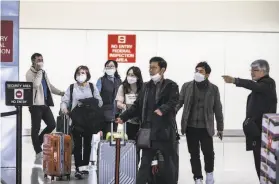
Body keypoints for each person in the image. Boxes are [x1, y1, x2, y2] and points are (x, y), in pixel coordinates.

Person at [116, 57, 179, 184]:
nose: (150, 70)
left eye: (154, 67)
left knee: (169, 165)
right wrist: (123, 117)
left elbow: (174, 101)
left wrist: (163, 109)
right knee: (144, 164)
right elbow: (137, 106)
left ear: (162, 69)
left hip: (165, 132)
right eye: (150, 67)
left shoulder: (171, 86)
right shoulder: (146, 87)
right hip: (148, 132)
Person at [222, 59, 277, 180]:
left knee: (264, 164)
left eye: (255, 70)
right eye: (251, 70)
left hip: (263, 132)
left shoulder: (268, 83)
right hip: (257, 131)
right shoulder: (261, 86)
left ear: (264, 71)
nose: (252, 72)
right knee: (260, 164)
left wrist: (235, 80)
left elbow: (253, 85)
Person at [176, 62, 224, 184]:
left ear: (207, 74)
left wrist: (220, 127)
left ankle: (209, 174)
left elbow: (218, 109)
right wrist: (170, 114)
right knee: (194, 154)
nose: (197, 73)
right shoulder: (187, 86)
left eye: (201, 71)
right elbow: (178, 103)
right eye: (196, 70)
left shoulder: (213, 89)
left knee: (208, 153)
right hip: (190, 127)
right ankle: (198, 177)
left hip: (205, 127)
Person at [61, 65, 103, 179]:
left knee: (87, 144)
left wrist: (88, 103)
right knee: (78, 145)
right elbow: (64, 101)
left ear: (87, 74)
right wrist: (65, 109)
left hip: (90, 121)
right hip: (76, 120)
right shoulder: (71, 88)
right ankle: (79, 168)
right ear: (76, 74)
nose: (81, 75)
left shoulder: (92, 87)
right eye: (79, 73)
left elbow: (99, 102)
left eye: (83, 73)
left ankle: (85, 167)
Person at [26, 53, 64, 159]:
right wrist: (38, 72)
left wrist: (61, 93)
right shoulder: (29, 73)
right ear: (33, 61)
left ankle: (37, 142)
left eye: (42, 59)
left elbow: (49, 86)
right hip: (35, 105)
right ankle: (38, 150)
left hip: (45, 104)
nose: (40, 61)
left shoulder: (43, 72)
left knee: (52, 124)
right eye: (38, 60)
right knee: (36, 128)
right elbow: (36, 85)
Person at [115, 66, 143, 139]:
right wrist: (124, 107)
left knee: (141, 142)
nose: (130, 77)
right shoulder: (123, 87)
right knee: (128, 142)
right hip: (127, 119)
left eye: (132, 75)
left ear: (138, 77)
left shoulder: (143, 88)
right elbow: (118, 103)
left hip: (140, 120)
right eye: (128, 74)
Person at [96, 60, 122, 136]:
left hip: (116, 112)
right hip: (105, 112)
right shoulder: (101, 80)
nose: (110, 68)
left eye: (112, 66)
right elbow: (97, 95)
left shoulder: (119, 81)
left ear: (116, 68)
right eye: (107, 66)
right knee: (106, 135)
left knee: (114, 135)